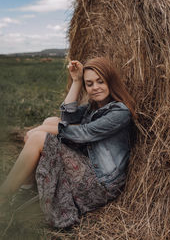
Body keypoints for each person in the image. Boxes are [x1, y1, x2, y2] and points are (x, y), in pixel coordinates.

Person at [0, 57, 136, 228]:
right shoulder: (93, 107)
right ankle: (27, 190)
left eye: (100, 82)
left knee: (38, 136)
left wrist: (40, 132)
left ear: (110, 81)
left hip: (101, 184)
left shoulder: (119, 112)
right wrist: (77, 81)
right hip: (89, 165)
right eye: (90, 83)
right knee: (50, 121)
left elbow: (85, 133)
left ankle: (3, 197)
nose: (95, 87)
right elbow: (66, 117)